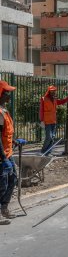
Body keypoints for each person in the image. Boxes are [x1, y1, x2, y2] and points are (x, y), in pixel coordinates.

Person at [0, 81, 17, 225]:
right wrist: (3, 158)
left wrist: (15, 141)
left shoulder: (4, 111)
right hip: (2, 156)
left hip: (8, 153)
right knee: (2, 185)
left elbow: (7, 132)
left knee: (13, 180)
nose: (9, 95)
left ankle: (4, 208)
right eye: (7, 93)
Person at [40, 86, 68, 156]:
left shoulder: (54, 99)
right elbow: (41, 110)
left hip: (53, 121)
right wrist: (42, 120)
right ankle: (43, 151)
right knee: (49, 137)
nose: (53, 92)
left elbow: (61, 102)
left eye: (54, 91)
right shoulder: (43, 99)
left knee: (53, 137)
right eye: (51, 91)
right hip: (47, 121)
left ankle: (48, 152)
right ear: (48, 91)